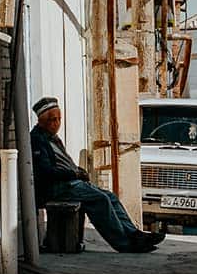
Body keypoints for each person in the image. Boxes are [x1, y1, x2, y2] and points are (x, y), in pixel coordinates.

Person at [29, 96, 162, 253]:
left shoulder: (53, 138)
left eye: (59, 119)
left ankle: (134, 234)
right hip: (55, 188)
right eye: (53, 120)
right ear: (42, 121)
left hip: (68, 183)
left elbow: (63, 163)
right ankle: (124, 243)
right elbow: (46, 172)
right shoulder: (37, 139)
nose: (57, 123)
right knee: (100, 200)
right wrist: (74, 173)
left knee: (110, 196)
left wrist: (77, 171)